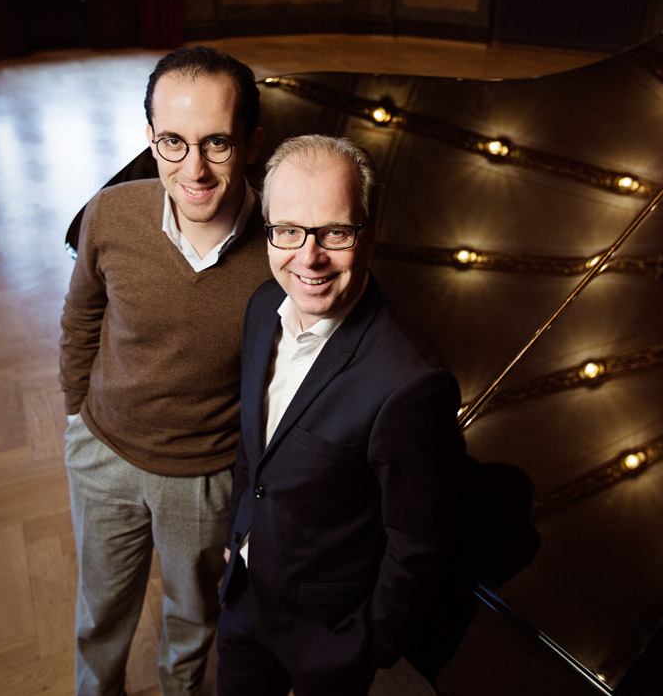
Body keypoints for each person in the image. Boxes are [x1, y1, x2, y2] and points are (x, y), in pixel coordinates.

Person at [216, 134, 467, 696]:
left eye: (334, 232)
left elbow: (420, 544)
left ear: (368, 237)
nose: (309, 257)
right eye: (288, 231)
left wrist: (368, 642)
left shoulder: (410, 382)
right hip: (245, 595)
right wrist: (237, 539)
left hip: (327, 636)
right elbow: (254, 449)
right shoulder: (263, 306)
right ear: (269, 230)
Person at [58, 45, 269, 696]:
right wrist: (76, 414)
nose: (193, 169)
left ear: (252, 143)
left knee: (194, 617)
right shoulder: (110, 213)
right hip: (103, 455)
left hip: (204, 481)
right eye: (173, 142)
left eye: (217, 143)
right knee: (100, 610)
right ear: (150, 137)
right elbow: (81, 317)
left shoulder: (283, 248)